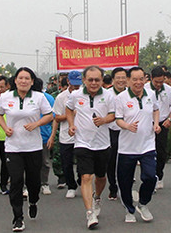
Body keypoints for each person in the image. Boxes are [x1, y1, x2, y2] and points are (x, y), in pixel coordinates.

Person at [0, 67, 53, 232]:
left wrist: (36, 124)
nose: (23, 81)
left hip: (33, 147)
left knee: (33, 181)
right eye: (20, 78)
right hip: (13, 147)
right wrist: (5, 127)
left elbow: (49, 115)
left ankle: (33, 200)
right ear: (15, 80)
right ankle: (18, 218)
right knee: (16, 181)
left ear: (32, 81)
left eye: (27, 78)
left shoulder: (39, 97)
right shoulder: (6, 97)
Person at [66, 66, 115, 229]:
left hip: (102, 143)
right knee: (86, 177)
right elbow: (69, 109)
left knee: (101, 177)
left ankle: (97, 197)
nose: (93, 83)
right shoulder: (75, 95)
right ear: (84, 80)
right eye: (90, 80)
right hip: (82, 142)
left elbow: (113, 114)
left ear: (102, 80)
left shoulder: (108, 96)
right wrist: (72, 125)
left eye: (97, 80)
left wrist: (104, 120)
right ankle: (89, 213)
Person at [114, 66, 160, 224]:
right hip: (127, 147)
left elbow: (155, 110)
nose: (138, 82)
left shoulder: (151, 94)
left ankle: (143, 203)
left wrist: (156, 123)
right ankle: (129, 209)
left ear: (145, 79)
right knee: (125, 181)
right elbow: (118, 119)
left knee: (150, 177)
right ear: (128, 80)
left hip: (147, 145)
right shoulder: (121, 98)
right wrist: (127, 126)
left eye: (141, 79)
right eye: (135, 79)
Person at [144, 66, 171, 190]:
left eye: (161, 81)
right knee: (148, 152)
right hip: (148, 124)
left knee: (161, 152)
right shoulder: (145, 89)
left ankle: (159, 175)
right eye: (156, 82)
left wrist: (169, 119)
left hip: (163, 124)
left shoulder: (168, 90)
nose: (159, 84)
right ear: (151, 78)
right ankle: (149, 177)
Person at [49, 71, 80, 199]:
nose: (76, 87)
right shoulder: (61, 97)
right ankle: (71, 186)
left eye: (78, 85)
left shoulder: (85, 95)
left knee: (83, 163)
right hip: (66, 135)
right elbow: (56, 118)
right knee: (66, 163)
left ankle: (82, 181)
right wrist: (70, 115)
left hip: (83, 136)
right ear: (68, 82)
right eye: (74, 85)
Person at [105, 67, 128, 200]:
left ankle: (124, 186)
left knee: (125, 161)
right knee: (111, 161)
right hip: (111, 131)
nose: (121, 80)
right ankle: (113, 187)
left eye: (123, 78)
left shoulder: (131, 94)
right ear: (113, 80)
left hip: (127, 131)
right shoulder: (107, 94)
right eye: (118, 78)